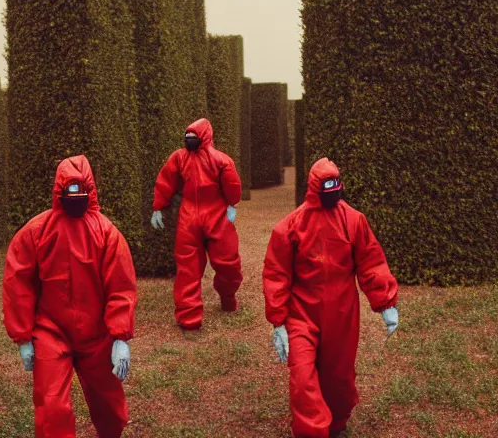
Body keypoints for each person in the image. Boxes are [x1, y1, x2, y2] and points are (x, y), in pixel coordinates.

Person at [263, 158, 400, 438]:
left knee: (338, 375)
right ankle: (312, 431)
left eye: (336, 186)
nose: (333, 194)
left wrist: (385, 302)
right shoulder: (290, 227)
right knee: (302, 377)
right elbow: (277, 273)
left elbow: (370, 260)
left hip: (341, 313)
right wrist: (278, 321)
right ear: (315, 188)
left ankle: (337, 421)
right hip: (301, 313)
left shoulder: (353, 220)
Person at [3, 155, 137, 438]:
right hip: (51, 331)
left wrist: (120, 337)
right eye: (69, 191)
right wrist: (24, 336)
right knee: (52, 409)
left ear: (90, 190)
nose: (75, 197)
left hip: (97, 332)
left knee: (110, 406)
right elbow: (18, 281)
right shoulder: (37, 232)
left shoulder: (107, 234)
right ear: (58, 192)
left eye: (81, 191)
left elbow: (120, 287)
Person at [151, 118, 243, 330]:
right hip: (189, 214)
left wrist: (231, 204)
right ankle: (189, 317)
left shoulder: (221, 160)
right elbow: (167, 180)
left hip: (216, 212)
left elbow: (232, 185)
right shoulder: (180, 157)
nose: (189, 140)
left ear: (204, 137)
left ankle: (228, 295)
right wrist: (158, 206)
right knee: (187, 267)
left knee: (228, 262)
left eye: (194, 137)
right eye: (187, 137)